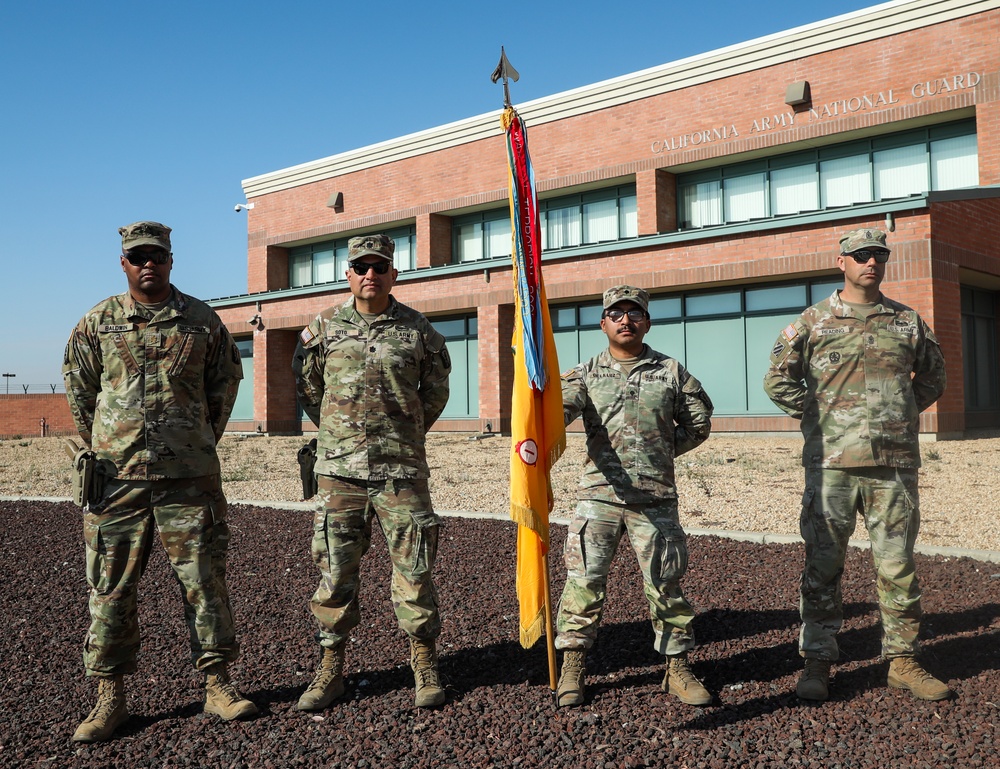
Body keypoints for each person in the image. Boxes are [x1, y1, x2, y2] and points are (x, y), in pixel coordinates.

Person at [63, 221, 256, 743]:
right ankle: (110, 699)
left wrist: (193, 439)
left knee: (205, 585)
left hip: (189, 481)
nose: (149, 263)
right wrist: (110, 444)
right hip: (117, 482)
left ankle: (217, 686)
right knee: (111, 591)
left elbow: (224, 386)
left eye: (158, 255)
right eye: (137, 255)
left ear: (172, 260)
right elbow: (80, 393)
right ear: (123, 262)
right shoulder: (96, 323)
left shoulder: (202, 321)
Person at [764, 228, 950, 702]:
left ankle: (903, 661)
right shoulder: (813, 321)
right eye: (861, 255)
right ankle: (818, 660)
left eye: (879, 255)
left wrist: (900, 414)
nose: (871, 262)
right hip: (832, 466)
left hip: (893, 465)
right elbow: (777, 381)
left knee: (897, 566)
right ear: (841, 262)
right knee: (824, 567)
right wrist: (819, 415)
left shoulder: (907, 322)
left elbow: (933, 376)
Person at [292, 233, 451, 710]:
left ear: (393, 273)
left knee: (414, 571)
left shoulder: (418, 330)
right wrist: (340, 435)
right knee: (335, 572)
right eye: (361, 266)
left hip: (401, 470)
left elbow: (436, 391)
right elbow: (308, 387)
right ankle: (330, 668)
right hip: (339, 472)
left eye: (379, 266)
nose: (370, 274)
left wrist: (403, 430)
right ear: (348, 273)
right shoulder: (323, 327)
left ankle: (423, 663)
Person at [555, 285, 714, 708]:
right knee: (583, 582)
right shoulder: (586, 372)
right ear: (603, 322)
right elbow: (557, 413)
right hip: (599, 497)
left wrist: (659, 452)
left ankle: (677, 668)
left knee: (665, 584)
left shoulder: (671, 371)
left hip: (655, 499)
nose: (626, 320)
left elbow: (698, 423)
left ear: (647, 320)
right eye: (617, 313)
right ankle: (572, 665)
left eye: (634, 313)